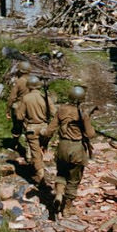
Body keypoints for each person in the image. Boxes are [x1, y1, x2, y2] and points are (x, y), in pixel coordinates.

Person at [40, 85, 95, 217]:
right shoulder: (83, 114)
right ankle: (67, 208)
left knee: (61, 173)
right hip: (77, 150)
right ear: (82, 99)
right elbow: (90, 134)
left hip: (62, 147)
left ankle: (58, 195)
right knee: (74, 179)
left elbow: (49, 131)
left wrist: (43, 139)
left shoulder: (61, 110)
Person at [16, 75, 56, 184]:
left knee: (36, 153)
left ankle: (41, 176)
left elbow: (19, 116)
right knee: (41, 148)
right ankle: (40, 166)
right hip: (45, 128)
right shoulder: (45, 98)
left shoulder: (26, 98)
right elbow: (55, 114)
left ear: (29, 86)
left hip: (31, 129)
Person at [6, 61, 32, 157]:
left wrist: (8, 109)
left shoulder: (19, 82)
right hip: (30, 107)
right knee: (28, 128)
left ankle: (14, 144)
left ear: (20, 71)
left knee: (17, 127)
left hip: (19, 107)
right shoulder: (33, 81)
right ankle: (29, 152)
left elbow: (12, 97)